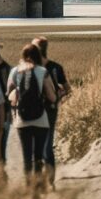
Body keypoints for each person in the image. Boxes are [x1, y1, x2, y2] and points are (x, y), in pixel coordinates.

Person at [6, 44, 57, 185]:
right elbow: (52, 97)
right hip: (41, 120)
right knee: (38, 157)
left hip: (21, 120)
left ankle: (29, 189)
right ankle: (39, 188)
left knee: (27, 158)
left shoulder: (15, 71)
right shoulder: (42, 71)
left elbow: (8, 94)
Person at [32, 36, 70, 187]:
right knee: (48, 145)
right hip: (51, 110)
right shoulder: (56, 67)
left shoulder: (30, 68)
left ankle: (40, 181)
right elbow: (68, 89)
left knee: (38, 146)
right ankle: (50, 182)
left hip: (35, 111)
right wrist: (58, 97)